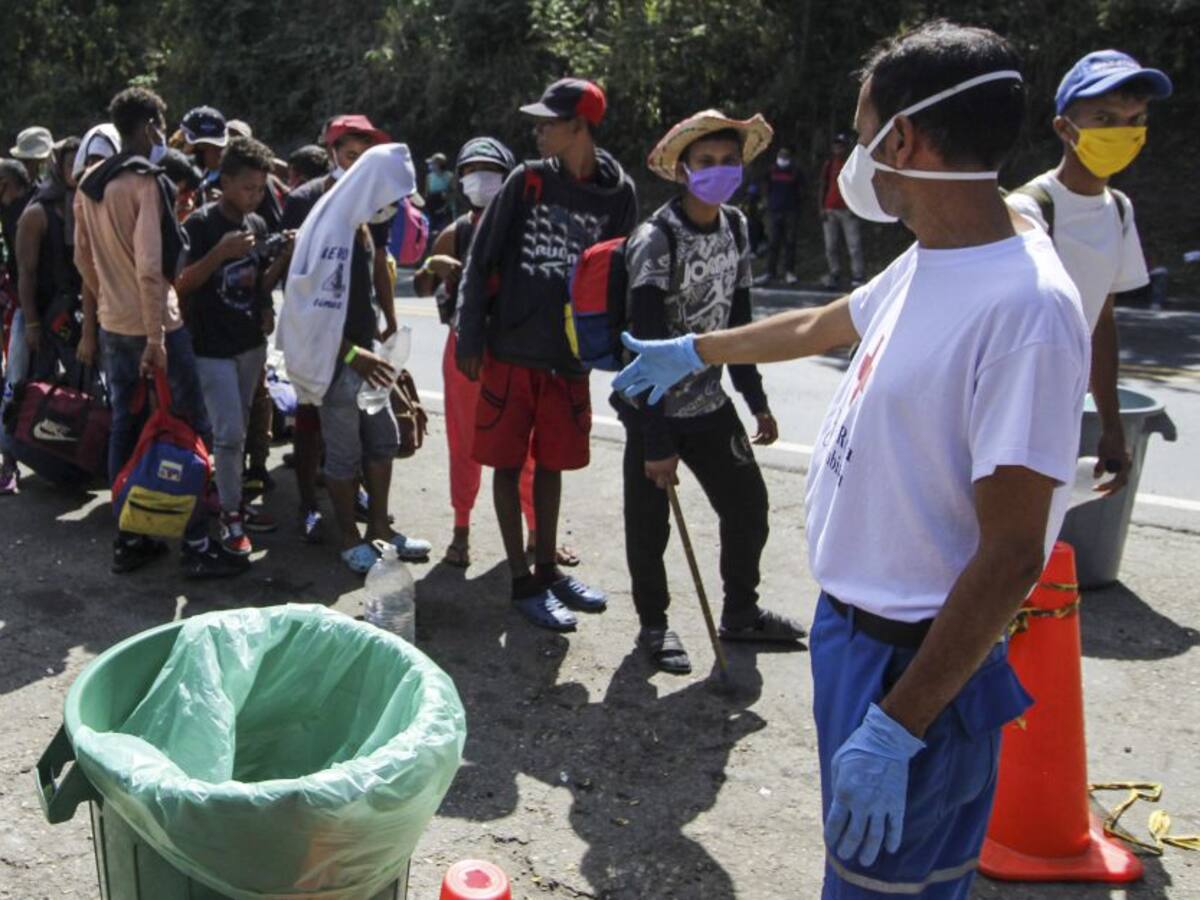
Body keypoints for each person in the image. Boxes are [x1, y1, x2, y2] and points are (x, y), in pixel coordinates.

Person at [614, 22, 1088, 898]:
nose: (853, 152)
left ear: (901, 138)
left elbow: (1016, 550)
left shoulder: (1024, 309)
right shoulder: (937, 255)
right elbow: (822, 324)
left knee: (882, 888)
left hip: (917, 667)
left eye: (863, 129)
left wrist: (900, 726)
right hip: (857, 637)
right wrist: (696, 349)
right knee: (865, 877)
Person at [618, 109, 807, 673]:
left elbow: (741, 322)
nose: (719, 172)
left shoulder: (737, 227)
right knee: (648, 527)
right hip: (655, 407)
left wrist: (756, 399)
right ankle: (654, 626)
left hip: (710, 405)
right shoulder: (655, 241)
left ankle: (741, 614)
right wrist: (655, 442)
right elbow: (643, 349)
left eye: (729, 162)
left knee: (748, 506)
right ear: (681, 171)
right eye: (706, 163)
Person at [456, 77, 638, 631]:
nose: (537, 131)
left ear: (579, 127)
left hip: (569, 360)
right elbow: (480, 260)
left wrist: (622, 350)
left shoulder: (618, 193)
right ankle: (521, 582)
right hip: (511, 351)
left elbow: (623, 278)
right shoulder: (527, 180)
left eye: (548, 122)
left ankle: (548, 568)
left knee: (553, 465)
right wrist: (470, 334)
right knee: (508, 467)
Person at [75, 86, 245, 578]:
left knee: (126, 427)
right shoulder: (144, 182)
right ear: (149, 126)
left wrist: (110, 299)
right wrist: (155, 338)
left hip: (113, 324)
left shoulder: (90, 180)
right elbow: (152, 268)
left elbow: (81, 256)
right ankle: (195, 545)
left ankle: (130, 538)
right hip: (157, 328)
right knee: (187, 427)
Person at [1006, 50, 1172, 497]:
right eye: (1105, 118)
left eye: (1135, 119)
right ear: (1065, 128)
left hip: (1060, 412)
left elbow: (1100, 320)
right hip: (1007, 412)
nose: (1125, 132)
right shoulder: (1029, 210)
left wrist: (1113, 426)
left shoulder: (1118, 209)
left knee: (1031, 547)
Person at [415, 136, 571, 569]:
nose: (479, 178)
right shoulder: (457, 231)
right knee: (464, 445)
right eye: (470, 170)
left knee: (527, 450)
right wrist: (433, 267)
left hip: (517, 354)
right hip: (464, 355)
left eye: (489, 170)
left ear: (509, 177)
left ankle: (539, 537)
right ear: (459, 179)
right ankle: (461, 532)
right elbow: (423, 287)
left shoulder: (527, 228)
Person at [281, 115, 428, 568]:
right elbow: (307, 309)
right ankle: (349, 539)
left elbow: (369, 279)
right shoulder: (328, 223)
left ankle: (380, 528)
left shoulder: (358, 221)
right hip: (341, 362)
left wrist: (383, 328)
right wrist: (350, 353)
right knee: (342, 454)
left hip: (368, 358)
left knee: (381, 441)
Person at [177, 136, 289, 556]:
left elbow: (256, 283)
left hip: (249, 346)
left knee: (239, 431)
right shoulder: (201, 225)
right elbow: (181, 284)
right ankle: (229, 516)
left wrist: (279, 263)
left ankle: (234, 500)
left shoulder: (257, 224)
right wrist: (219, 254)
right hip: (211, 348)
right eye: (248, 187)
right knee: (227, 435)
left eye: (261, 189)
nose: (255, 196)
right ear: (224, 182)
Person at [0, 159, 37, 494]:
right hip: (38, 309)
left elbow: (25, 271)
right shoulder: (39, 203)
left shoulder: (24, 212)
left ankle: (9, 462)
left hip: (33, 311)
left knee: (15, 381)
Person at [818, 133, 866, 289]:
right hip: (830, 209)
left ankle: (858, 275)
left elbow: (859, 187)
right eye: (836, 145)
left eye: (841, 145)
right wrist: (821, 208)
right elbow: (823, 186)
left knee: (854, 245)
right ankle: (835, 273)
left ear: (846, 147)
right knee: (830, 245)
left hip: (848, 210)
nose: (838, 148)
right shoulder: (829, 164)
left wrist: (857, 207)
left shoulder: (852, 164)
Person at [755, 145, 804, 285]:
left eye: (785, 156)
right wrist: (766, 203)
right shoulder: (771, 170)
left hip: (791, 212)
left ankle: (789, 272)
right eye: (781, 156)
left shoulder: (795, 171)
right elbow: (765, 187)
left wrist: (797, 206)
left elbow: (801, 191)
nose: (783, 159)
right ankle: (770, 273)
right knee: (773, 243)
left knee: (790, 243)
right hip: (774, 211)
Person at [180, 106, 229, 207]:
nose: (219, 153)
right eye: (205, 146)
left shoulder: (233, 180)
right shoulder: (169, 179)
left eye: (220, 147)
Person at [424, 152, 454, 237]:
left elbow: (453, 192)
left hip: (445, 207)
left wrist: (444, 206)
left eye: (433, 163)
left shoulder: (450, 176)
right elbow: (427, 193)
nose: (431, 165)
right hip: (432, 207)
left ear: (438, 165)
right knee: (431, 230)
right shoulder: (429, 177)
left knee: (444, 230)